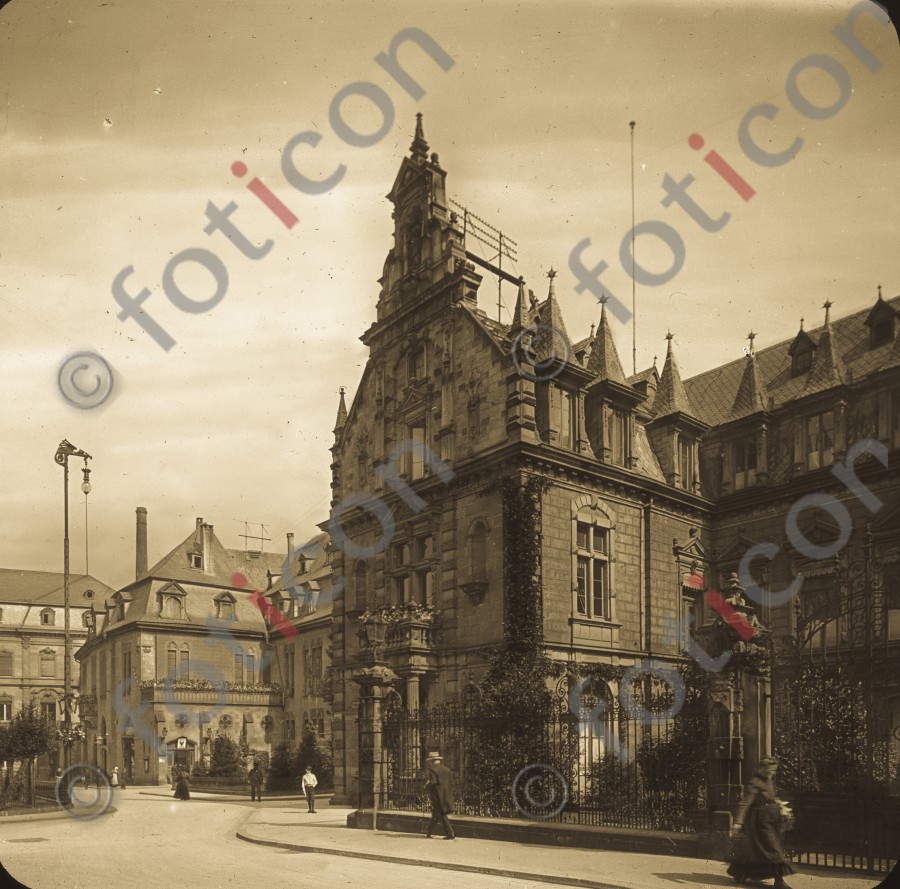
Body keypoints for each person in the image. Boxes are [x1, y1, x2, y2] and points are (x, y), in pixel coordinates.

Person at [727, 757, 796, 888]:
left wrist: (780, 804)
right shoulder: (754, 782)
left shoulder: (768, 780)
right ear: (764, 769)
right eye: (771, 770)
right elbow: (745, 803)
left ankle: (738, 873)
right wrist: (738, 822)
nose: (773, 773)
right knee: (772, 849)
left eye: (774, 770)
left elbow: (771, 797)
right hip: (760, 822)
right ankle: (779, 881)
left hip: (770, 820)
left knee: (754, 849)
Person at [423, 751, 455, 840]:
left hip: (437, 795)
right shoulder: (447, 769)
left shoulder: (432, 769)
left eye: (430, 761)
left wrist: (426, 786)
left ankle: (450, 833)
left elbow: (433, 782)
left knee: (441, 813)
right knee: (436, 814)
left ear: (432, 761)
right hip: (446, 795)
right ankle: (428, 832)